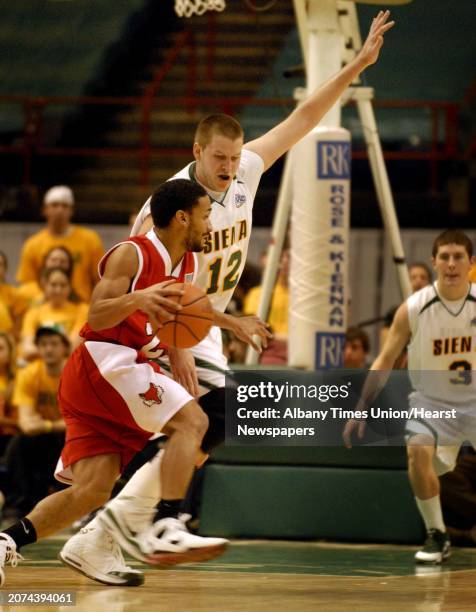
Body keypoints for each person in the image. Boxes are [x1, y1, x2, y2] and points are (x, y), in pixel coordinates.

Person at [60, 10, 396, 585]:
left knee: (212, 428)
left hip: (204, 320)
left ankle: (109, 528)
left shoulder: (248, 170)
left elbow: (305, 116)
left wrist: (356, 64)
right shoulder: (163, 209)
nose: (227, 167)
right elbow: (149, 288)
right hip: (170, 321)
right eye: (219, 158)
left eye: (233, 157)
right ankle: (137, 523)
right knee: (202, 420)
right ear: (197, 151)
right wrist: (178, 346)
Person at [0, 179, 253, 587]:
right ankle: (166, 523)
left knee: (91, 491)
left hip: (106, 376)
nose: (211, 225)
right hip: (106, 362)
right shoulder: (132, 253)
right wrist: (137, 299)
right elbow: (96, 316)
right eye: (206, 215)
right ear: (182, 217)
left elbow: (184, 317)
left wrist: (230, 324)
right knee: (194, 423)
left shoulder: (187, 264)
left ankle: (6, 542)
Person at [343, 229, 476, 564]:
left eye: (458, 256)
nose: (451, 264)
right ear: (434, 262)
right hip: (433, 402)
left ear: (471, 263)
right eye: (444, 257)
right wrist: (360, 409)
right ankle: (436, 534)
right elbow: (385, 359)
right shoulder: (415, 308)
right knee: (416, 451)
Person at [7, 327, 68, 515]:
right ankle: (21, 503)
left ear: (65, 348)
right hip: (45, 436)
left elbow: (84, 421)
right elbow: (26, 423)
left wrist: (46, 424)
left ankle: (70, 501)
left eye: (54, 344)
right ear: (38, 349)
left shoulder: (75, 372)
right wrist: (50, 426)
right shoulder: (29, 374)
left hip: (72, 435)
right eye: (43, 344)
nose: (48, 349)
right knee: (19, 444)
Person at [16, 185, 104, 303]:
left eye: (65, 206)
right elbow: (27, 284)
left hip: (81, 308)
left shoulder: (90, 240)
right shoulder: (32, 244)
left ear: (72, 210)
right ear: (44, 210)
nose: (60, 210)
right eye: (55, 205)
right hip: (44, 309)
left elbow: (100, 279)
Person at [20, 268, 88, 361]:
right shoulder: (33, 312)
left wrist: (44, 350)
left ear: (70, 287)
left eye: (63, 285)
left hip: (69, 365)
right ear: (45, 286)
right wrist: (54, 351)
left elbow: (73, 348)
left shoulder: (81, 310)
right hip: (40, 368)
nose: (58, 290)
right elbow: (27, 349)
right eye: (53, 285)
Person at [243, 249, 289, 365]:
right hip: (270, 349)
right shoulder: (257, 294)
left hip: (301, 348)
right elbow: (251, 327)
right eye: (281, 258)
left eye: (288, 258)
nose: (285, 263)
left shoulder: (304, 296)